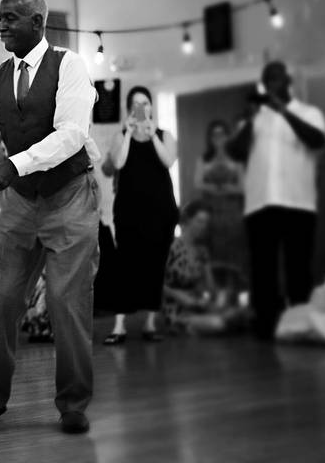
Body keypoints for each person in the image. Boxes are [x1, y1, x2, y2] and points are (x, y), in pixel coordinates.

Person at [0, 0, 99, 435]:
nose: (1, 27)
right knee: (2, 301)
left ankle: (73, 403)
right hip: (18, 203)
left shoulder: (70, 66)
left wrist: (15, 163)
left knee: (65, 302)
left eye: (10, 18)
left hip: (69, 194)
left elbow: (72, 134)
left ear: (37, 21)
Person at [228, 61, 325, 339]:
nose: (272, 83)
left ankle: (300, 323)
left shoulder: (309, 112)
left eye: (277, 78)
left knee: (298, 267)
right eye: (267, 79)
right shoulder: (255, 119)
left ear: (288, 81)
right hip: (261, 204)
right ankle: (266, 326)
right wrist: (248, 119)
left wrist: (283, 111)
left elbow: (317, 140)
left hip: (298, 203)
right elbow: (236, 152)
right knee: (263, 269)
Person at [101, 85, 179, 345]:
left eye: (145, 103)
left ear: (152, 106)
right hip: (129, 211)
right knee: (126, 266)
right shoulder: (120, 135)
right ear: (129, 109)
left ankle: (149, 324)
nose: (142, 108)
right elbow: (119, 163)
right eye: (136, 104)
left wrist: (151, 133)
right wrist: (129, 131)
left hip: (161, 211)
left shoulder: (164, 134)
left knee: (156, 265)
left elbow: (168, 161)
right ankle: (120, 326)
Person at [163, 200, 249, 334]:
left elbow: (211, 287)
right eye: (199, 221)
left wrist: (219, 295)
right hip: (176, 308)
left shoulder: (202, 251)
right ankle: (193, 326)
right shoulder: (171, 246)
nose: (203, 226)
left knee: (241, 315)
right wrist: (178, 295)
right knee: (219, 323)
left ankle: (213, 323)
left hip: (199, 305)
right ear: (187, 220)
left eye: (206, 223)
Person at [194, 120, 248, 280]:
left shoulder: (236, 159)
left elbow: (243, 187)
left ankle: (235, 290)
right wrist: (214, 188)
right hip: (210, 212)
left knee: (234, 251)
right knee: (212, 252)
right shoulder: (203, 158)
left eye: (221, 134)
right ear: (210, 138)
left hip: (232, 212)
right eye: (214, 134)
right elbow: (197, 183)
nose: (218, 138)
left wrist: (225, 188)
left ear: (227, 136)